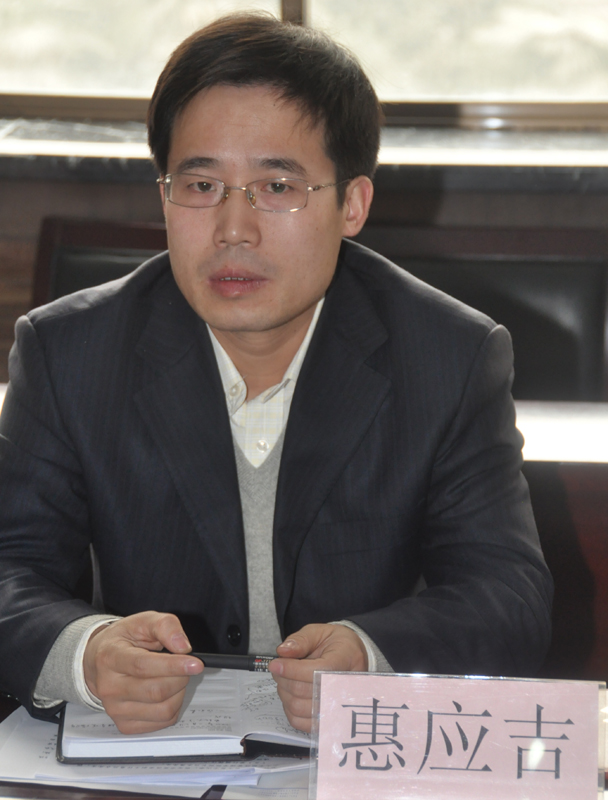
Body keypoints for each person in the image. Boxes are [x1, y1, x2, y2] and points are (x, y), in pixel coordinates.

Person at [0, 13, 552, 736]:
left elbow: (507, 595)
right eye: (202, 184)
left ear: (351, 204)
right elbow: (10, 569)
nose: (234, 228)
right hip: (147, 758)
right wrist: (87, 654)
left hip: (353, 757)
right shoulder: (69, 352)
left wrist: (371, 656)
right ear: (163, 193)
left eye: (277, 186)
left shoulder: (450, 356)